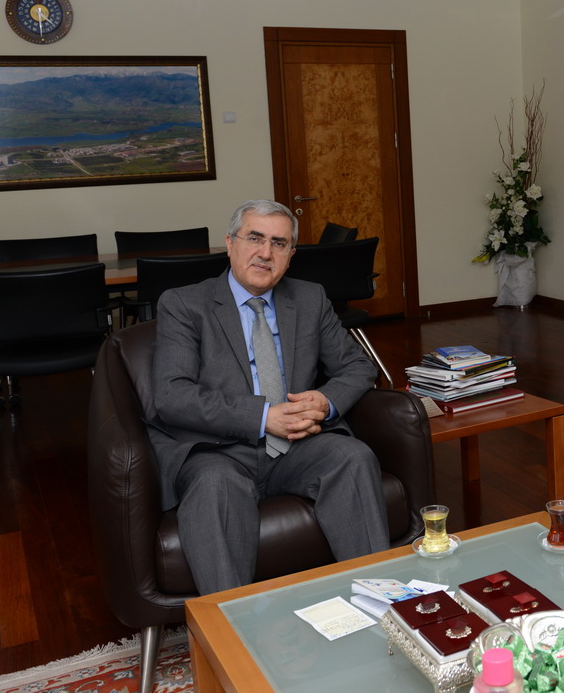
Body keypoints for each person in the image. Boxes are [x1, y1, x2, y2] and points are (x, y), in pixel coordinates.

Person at [147, 199, 388, 595]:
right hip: (218, 449)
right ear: (230, 243)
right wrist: (263, 418)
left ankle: (379, 601)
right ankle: (231, 623)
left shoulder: (310, 299)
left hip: (299, 444)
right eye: (254, 238)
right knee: (215, 486)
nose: (265, 252)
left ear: (291, 255)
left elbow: (357, 366)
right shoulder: (184, 304)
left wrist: (324, 401)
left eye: (279, 243)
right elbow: (172, 395)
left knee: (353, 457)